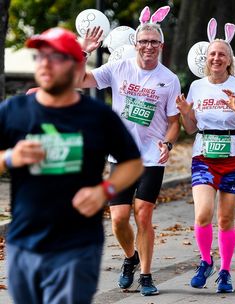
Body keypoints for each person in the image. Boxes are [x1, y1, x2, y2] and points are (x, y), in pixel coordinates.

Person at [0, 27, 143, 304]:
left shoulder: (98, 116)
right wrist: (10, 158)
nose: (45, 64)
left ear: (76, 65)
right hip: (25, 240)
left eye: (55, 57)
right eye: (40, 57)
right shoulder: (15, 111)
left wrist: (105, 191)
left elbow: (133, 163)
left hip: (78, 243)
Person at [79, 6, 180, 296]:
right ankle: (130, 258)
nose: (148, 46)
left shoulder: (169, 79)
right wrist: (83, 52)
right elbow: (79, 80)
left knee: (143, 213)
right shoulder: (118, 68)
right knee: (120, 218)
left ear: (161, 46)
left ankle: (146, 275)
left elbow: (174, 123)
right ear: (135, 44)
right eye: (143, 41)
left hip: (151, 158)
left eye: (154, 42)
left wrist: (168, 143)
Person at [176, 38, 235, 293]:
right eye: (212, 54)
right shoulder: (196, 86)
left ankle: (225, 272)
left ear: (229, 60)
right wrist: (185, 112)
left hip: (234, 157)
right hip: (204, 156)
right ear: (206, 59)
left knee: (225, 220)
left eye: (222, 55)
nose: (216, 58)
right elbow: (192, 128)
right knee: (203, 214)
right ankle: (206, 261)